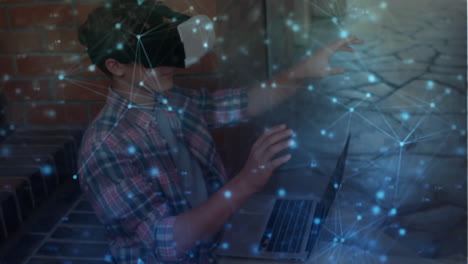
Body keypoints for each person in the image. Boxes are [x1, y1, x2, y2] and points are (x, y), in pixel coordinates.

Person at [77, 1, 364, 263]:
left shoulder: (172, 100)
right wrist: (246, 182)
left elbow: (244, 103)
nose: (169, 62)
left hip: (219, 239)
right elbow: (168, 243)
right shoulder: (104, 147)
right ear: (115, 66)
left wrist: (303, 70)